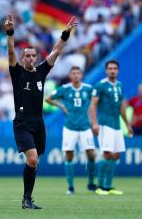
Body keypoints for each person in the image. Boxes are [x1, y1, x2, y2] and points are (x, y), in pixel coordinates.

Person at [5, 14, 77, 209]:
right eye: (26, 55)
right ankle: (26, 199)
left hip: (38, 122)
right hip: (22, 122)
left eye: (33, 55)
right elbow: (11, 51)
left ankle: (27, 199)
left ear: (36, 57)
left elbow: (56, 51)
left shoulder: (41, 72)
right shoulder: (17, 72)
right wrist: (10, 32)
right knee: (33, 158)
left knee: (34, 163)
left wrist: (66, 33)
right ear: (22, 58)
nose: (30, 58)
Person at [45, 66, 96, 195]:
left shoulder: (88, 88)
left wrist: (91, 111)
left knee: (91, 154)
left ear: (82, 75)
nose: (76, 75)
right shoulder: (65, 89)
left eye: (78, 73)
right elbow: (48, 99)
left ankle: (91, 183)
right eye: (73, 73)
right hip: (70, 127)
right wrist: (61, 106)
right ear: (70, 75)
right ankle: (71, 187)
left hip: (85, 126)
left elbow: (96, 101)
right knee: (69, 155)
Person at [89, 60, 133, 196]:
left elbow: (121, 107)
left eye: (114, 68)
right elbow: (93, 105)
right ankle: (99, 186)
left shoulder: (119, 85)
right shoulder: (100, 85)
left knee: (116, 154)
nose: (112, 70)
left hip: (116, 125)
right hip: (104, 124)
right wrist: (94, 123)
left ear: (118, 70)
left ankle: (108, 186)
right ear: (106, 70)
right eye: (110, 68)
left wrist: (127, 124)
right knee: (107, 153)